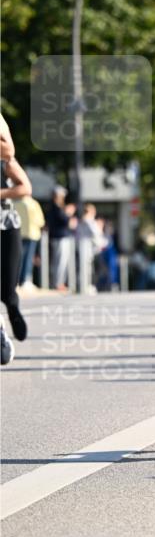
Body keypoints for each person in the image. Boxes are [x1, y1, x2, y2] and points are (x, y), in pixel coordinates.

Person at [1, 114, 31, 363]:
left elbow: (25, 188)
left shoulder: (5, 160)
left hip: (5, 224)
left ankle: (12, 307)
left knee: (7, 290)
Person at [47, 185, 76, 289]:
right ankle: (58, 283)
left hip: (60, 237)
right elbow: (68, 222)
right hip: (60, 237)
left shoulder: (55, 208)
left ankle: (59, 283)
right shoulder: (56, 209)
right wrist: (69, 214)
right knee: (60, 262)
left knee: (60, 262)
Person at [15, 192, 45, 288]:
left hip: (19, 233)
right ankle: (25, 280)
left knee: (19, 258)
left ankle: (17, 280)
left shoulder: (15, 203)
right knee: (28, 258)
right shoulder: (33, 203)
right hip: (32, 234)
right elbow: (40, 221)